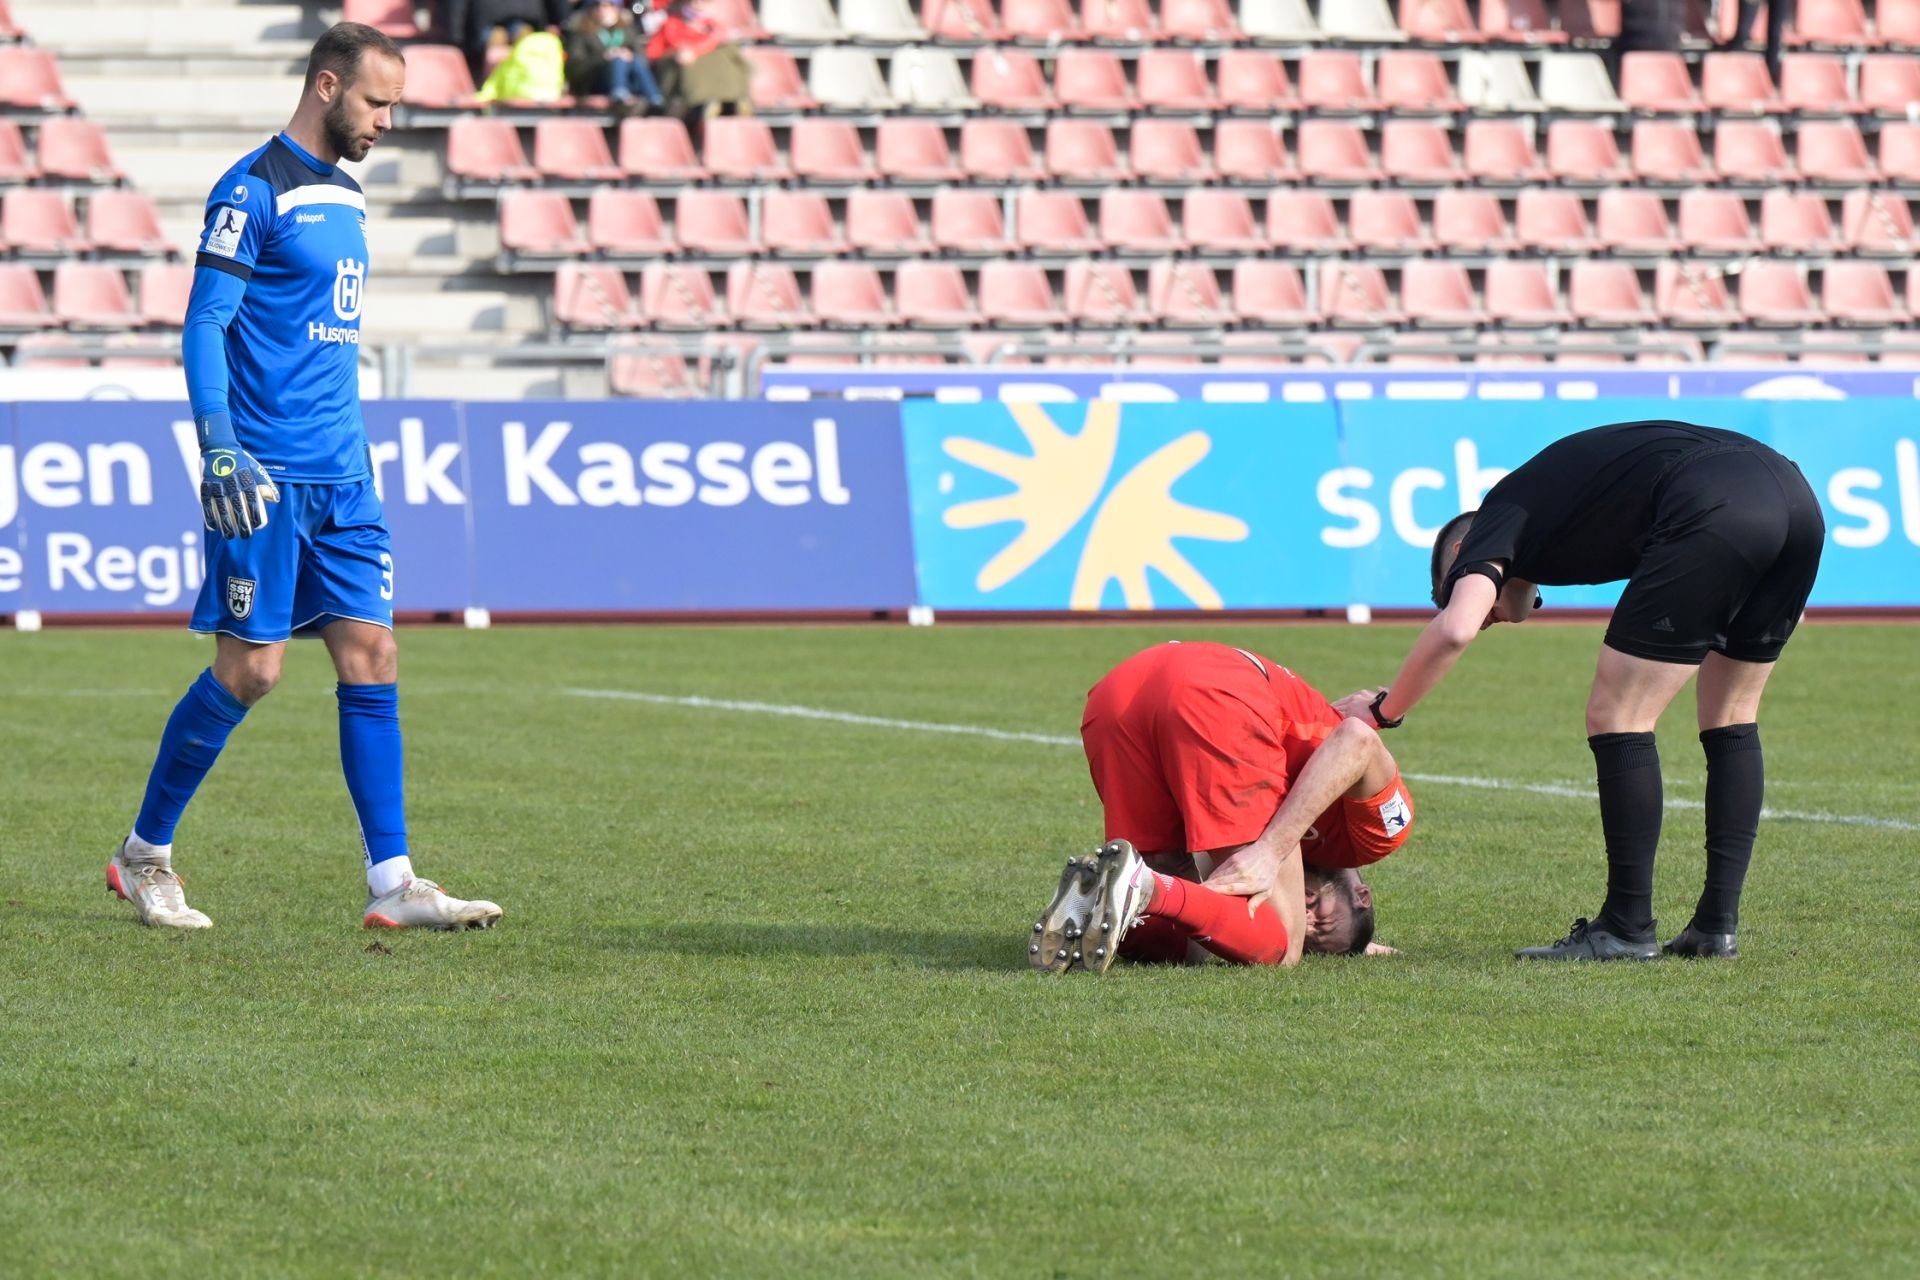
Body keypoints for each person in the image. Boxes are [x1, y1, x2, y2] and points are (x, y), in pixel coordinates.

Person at [106, 23, 502, 933]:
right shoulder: (251, 190)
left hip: (345, 476)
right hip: (265, 477)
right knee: (251, 672)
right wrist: (218, 445)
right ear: (327, 85)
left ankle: (394, 882)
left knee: (373, 655)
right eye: (376, 102)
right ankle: (144, 854)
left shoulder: (348, 195)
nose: (387, 121)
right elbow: (206, 324)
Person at [1342, 420, 1823, 961]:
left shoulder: (1493, 516)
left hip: (1716, 498)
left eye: (1448, 587)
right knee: (1731, 716)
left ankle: (1625, 927)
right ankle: (1714, 929)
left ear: (1460, 551)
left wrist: (1380, 712)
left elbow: (1454, 628)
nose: (1480, 616)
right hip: (1795, 501)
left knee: (1618, 715)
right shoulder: (1545, 519)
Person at [1030, 641, 1416, 973]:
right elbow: (1356, 737)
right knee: (1284, 946)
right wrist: (1272, 849)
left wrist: (1358, 944)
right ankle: (1141, 885)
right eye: (1325, 923)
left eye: (1312, 933)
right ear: (1361, 897)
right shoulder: (1379, 836)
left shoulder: (1309, 844)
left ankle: (1093, 905)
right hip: (1215, 696)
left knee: (1184, 934)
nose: (1309, 920)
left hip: (1119, 694)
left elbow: (1208, 886)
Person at [646, 0, 752, 120]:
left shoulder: (711, 25)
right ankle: (706, 106)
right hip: (677, 71)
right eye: (695, 2)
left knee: (724, 54)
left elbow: (718, 37)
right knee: (690, 61)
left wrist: (696, 51)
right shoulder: (671, 24)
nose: (699, 6)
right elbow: (657, 52)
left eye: (703, 3)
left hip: (704, 62)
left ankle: (731, 102)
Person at [565, 0, 664, 112]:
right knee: (618, 60)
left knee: (635, 61)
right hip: (596, 80)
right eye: (598, 7)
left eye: (608, 7)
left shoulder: (628, 31)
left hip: (629, 78)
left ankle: (655, 99)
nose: (603, 11)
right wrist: (604, 58)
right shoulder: (582, 34)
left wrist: (629, 56)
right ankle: (619, 96)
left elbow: (643, 58)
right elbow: (575, 64)